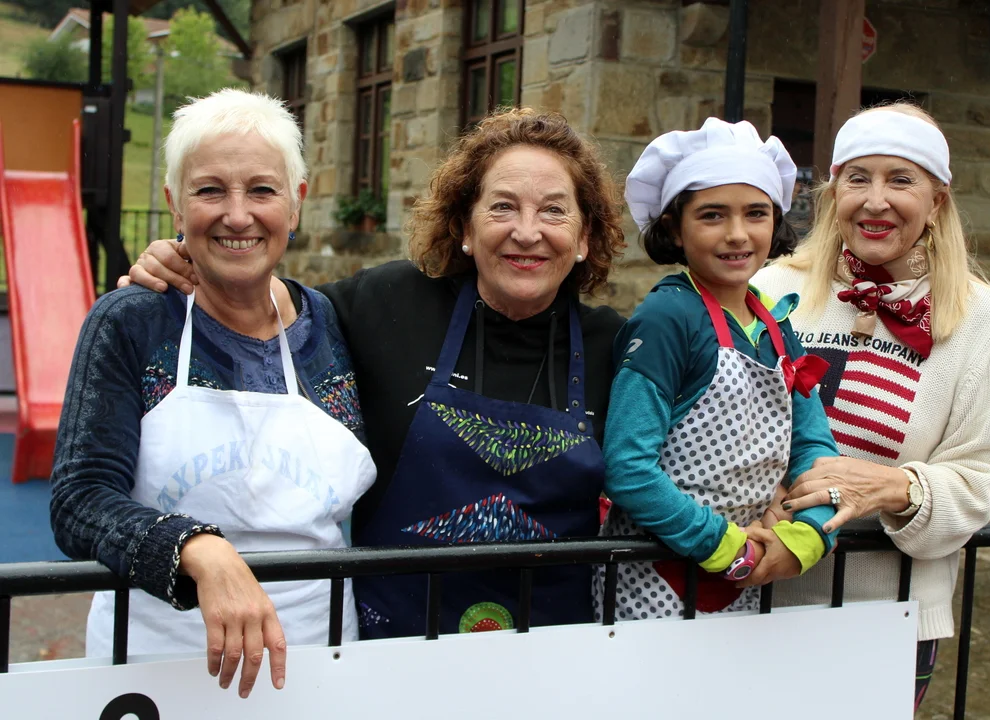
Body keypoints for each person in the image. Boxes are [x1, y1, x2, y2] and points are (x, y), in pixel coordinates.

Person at [120, 108, 628, 639]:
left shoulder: (618, 350)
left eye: (554, 211)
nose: (526, 232)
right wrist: (184, 262)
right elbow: (255, 303)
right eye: (502, 206)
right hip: (389, 656)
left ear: (585, 237)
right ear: (464, 227)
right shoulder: (387, 304)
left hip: (557, 653)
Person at [50, 89, 376, 697]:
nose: (237, 215)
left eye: (262, 190)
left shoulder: (333, 324)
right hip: (155, 668)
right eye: (209, 191)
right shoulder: (132, 321)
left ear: (296, 203)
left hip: (320, 663)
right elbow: (79, 500)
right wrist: (197, 548)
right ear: (175, 204)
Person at [753, 102, 990, 710]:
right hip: (751, 598)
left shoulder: (980, 317)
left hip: (887, 619)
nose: (876, 201)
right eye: (858, 178)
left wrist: (894, 487)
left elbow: (979, 479)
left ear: (937, 200)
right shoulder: (769, 287)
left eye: (901, 180)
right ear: (833, 192)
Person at [597, 119, 839, 619]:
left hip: (747, 580)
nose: (737, 234)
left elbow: (813, 447)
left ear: (776, 221)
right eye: (712, 215)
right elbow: (628, 468)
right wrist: (726, 546)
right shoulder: (667, 319)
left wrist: (808, 534)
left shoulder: (776, 326)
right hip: (652, 583)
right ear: (674, 227)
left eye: (756, 214)